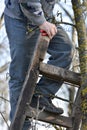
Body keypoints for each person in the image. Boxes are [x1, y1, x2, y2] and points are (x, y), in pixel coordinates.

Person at [4, 0, 73, 130]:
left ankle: (41, 95)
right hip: (20, 18)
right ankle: (21, 127)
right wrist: (41, 22)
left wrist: (44, 20)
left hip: (45, 15)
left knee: (65, 50)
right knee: (20, 75)